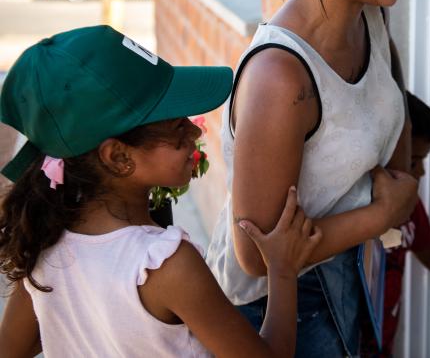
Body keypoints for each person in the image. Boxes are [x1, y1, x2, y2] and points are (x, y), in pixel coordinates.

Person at [205, 0, 420, 356]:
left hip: (346, 273)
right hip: (276, 309)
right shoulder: (280, 78)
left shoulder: (371, 17)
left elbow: (393, 136)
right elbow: (259, 254)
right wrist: (383, 214)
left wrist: (383, 200)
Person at [0, 25, 321, 358]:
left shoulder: (44, 244)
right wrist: (282, 269)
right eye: (175, 127)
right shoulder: (164, 265)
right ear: (119, 157)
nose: (193, 132)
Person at [362, 92, 430, 357]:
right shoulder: (354, 209)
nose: (421, 172)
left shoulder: (408, 208)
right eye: (413, 161)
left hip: (382, 345)